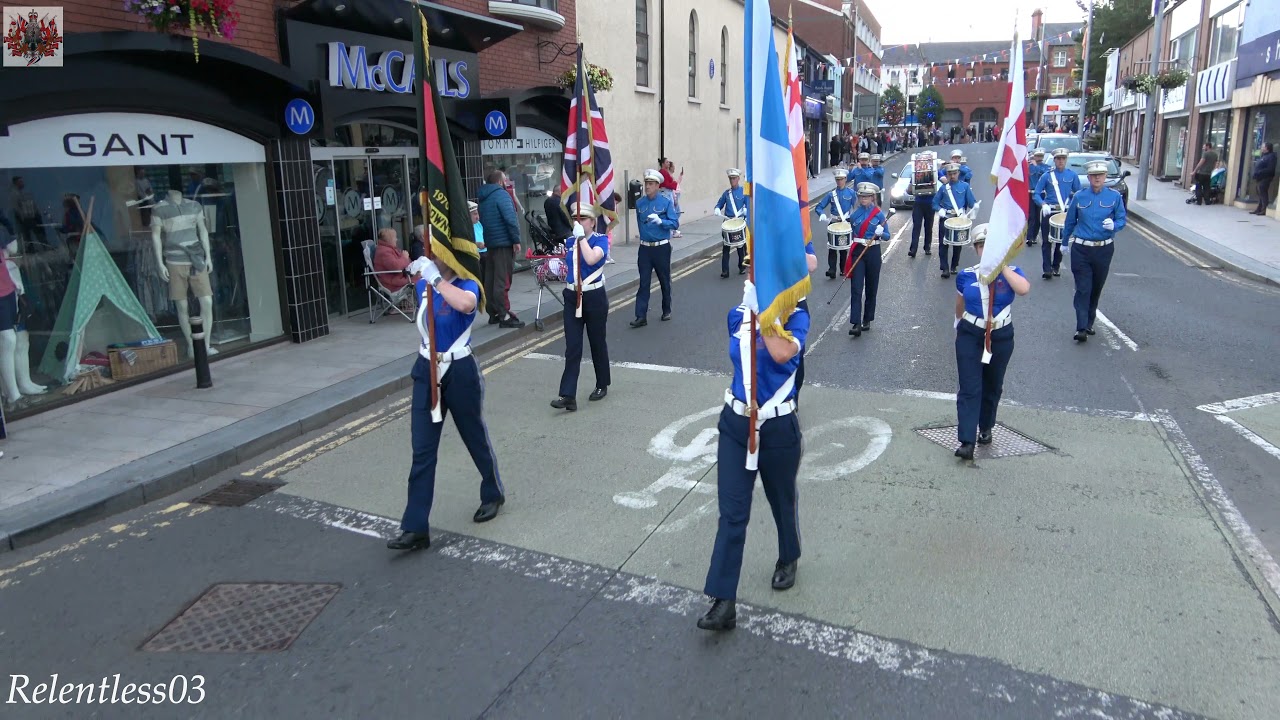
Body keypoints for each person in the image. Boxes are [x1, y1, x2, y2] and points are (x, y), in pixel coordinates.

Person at [697, 282, 809, 631]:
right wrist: (751, 314)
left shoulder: (797, 318)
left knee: (782, 501)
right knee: (732, 513)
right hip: (736, 424)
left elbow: (780, 354)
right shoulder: (736, 315)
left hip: (778, 428)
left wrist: (764, 315)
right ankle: (723, 600)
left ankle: (789, 555)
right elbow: (742, 361)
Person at [388, 252, 506, 551]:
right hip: (426, 370)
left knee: (474, 437)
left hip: (460, 371)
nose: (432, 256)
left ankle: (492, 493)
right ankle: (415, 526)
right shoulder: (422, 286)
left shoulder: (468, 284)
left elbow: (466, 305)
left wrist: (436, 279)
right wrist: (422, 277)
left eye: (438, 252)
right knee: (422, 450)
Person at [952, 224, 1031, 461]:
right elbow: (960, 302)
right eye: (981, 246)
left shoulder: (1013, 271)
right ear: (976, 249)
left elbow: (1024, 289)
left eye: (990, 246)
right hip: (970, 333)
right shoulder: (966, 275)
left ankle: (986, 425)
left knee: (993, 384)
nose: (985, 250)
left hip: (1001, 334)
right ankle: (967, 441)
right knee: (969, 386)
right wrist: (957, 323)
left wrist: (1001, 265)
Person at [551, 203, 610, 412]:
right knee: (573, 347)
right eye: (576, 218)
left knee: (597, 343)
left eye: (583, 218)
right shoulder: (570, 241)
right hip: (572, 296)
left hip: (594, 296)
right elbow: (569, 266)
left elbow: (592, 259)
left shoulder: (600, 240)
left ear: (592, 222)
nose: (578, 222)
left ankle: (602, 383)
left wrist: (581, 238)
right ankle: (568, 395)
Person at [1062, 160, 1126, 343]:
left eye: (1100, 175)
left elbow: (1122, 219)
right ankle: (1081, 327)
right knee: (1083, 288)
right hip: (1081, 249)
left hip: (1104, 249)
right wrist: (1064, 242)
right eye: (1093, 175)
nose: (1097, 178)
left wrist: (1115, 225)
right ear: (1089, 177)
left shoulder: (1114, 197)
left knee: (1096, 288)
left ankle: (1089, 322)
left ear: (1105, 177)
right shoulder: (1079, 197)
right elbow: (1070, 221)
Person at [631, 168, 679, 327]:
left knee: (664, 280)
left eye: (651, 183)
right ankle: (641, 316)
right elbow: (640, 224)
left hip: (661, 248)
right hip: (645, 248)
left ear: (658, 186)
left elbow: (675, 223)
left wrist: (661, 222)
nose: (647, 186)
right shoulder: (640, 203)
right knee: (644, 282)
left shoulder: (665, 202)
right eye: (646, 183)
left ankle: (666, 310)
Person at [477, 170, 525, 328]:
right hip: (504, 243)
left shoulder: (483, 198)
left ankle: (494, 313)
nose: (507, 182)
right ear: (499, 182)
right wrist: (516, 240)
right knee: (502, 280)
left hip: (491, 243)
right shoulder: (502, 195)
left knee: (490, 279)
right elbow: (510, 219)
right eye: (505, 180)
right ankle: (504, 315)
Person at [844, 182, 890, 338]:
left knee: (871, 287)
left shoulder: (879, 215)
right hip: (858, 251)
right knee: (856, 288)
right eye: (861, 196)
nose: (863, 199)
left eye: (867, 196)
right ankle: (856, 323)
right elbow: (851, 232)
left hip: (873, 252)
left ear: (872, 197)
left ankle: (867, 319)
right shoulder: (854, 215)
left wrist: (881, 233)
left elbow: (887, 236)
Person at [1035, 148, 1080, 280]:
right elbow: (1036, 194)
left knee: (1060, 241)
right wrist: (1043, 204)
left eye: (1063, 158)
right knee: (1047, 241)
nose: (1061, 161)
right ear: (1054, 160)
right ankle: (1047, 269)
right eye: (1058, 159)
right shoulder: (1047, 176)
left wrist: (1073, 206)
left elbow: (1079, 194)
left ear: (1066, 160)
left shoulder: (1072, 175)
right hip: (1049, 211)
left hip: (1064, 213)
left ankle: (1056, 266)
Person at [933, 163, 975, 279]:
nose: (952, 176)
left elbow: (971, 203)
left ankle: (954, 266)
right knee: (943, 243)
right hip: (946, 218)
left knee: (958, 243)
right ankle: (945, 268)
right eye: (950, 174)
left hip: (959, 218)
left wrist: (974, 207)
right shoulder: (943, 188)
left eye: (954, 173)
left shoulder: (965, 186)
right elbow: (934, 203)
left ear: (958, 173)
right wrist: (940, 210)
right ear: (947, 174)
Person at [815, 169, 856, 279]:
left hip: (845, 222)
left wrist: (854, 219)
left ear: (845, 179)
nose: (839, 182)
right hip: (833, 223)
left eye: (841, 179)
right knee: (832, 247)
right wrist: (821, 214)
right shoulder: (831, 194)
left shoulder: (851, 193)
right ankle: (832, 269)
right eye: (837, 179)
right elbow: (819, 207)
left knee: (843, 247)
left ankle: (843, 269)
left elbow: (856, 207)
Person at [714, 168, 748, 278]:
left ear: (738, 179)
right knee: (726, 247)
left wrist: (746, 211)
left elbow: (748, 205)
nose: (732, 180)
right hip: (728, 222)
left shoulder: (743, 192)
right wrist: (717, 209)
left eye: (734, 178)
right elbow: (719, 204)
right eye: (730, 178)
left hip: (739, 222)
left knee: (740, 246)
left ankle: (742, 267)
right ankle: (725, 271)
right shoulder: (726, 194)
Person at [908, 154, 937, 258]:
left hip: (928, 203)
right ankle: (915, 249)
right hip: (920, 203)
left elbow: (944, 180)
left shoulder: (934, 172)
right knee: (919, 226)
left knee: (926, 227)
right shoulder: (916, 174)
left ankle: (926, 247)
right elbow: (909, 190)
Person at [372, 228, 413, 293]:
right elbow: (396, 267)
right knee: (421, 281)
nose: (396, 240)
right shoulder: (384, 252)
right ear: (389, 239)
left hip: (399, 278)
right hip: (393, 283)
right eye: (395, 237)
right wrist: (404, 258)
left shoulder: (389, 249)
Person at [1026, 149, 1048, 247]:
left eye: (1041, 156)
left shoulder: (1046, 167)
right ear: (1034, 156)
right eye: (1037, 156)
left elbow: (1045, 174)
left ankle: (1034, 236)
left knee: (1039, 217)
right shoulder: (1029, 166)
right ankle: (1029, 237)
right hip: (1030, 193)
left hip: (1041, 194)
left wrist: (1036, 166)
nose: (1039, 158)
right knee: (1031, 216)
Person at [1251, 142, 1276, 216]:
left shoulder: (1271, 157)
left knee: (1262, 191)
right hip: (1259, 177)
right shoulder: (1264, 156)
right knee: (1259, 192)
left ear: (1267, 148)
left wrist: (1259, 172)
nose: (1261, 148)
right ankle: (1259, 208)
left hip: (1265, 177)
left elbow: (1270, 169)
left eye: (1263, 147)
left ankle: (1264, 209)